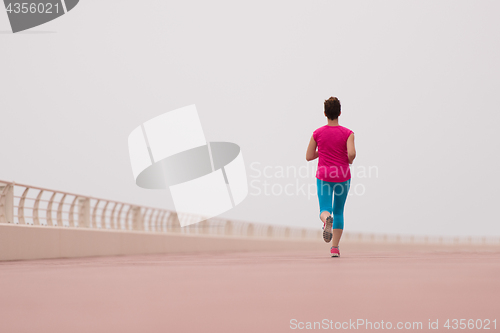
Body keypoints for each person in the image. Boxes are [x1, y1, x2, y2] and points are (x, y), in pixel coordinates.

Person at [305, 97, 356, 257]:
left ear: (325, 113)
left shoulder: (317, 133)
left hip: (324, 176)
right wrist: (348, 159)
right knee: (339, 211)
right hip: (342, 176)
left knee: (325, 209)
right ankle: (335, 248)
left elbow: (308, 156)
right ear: (340, 112)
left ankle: (327, 219)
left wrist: (324, 151)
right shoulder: (348, 133)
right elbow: (352, 153)